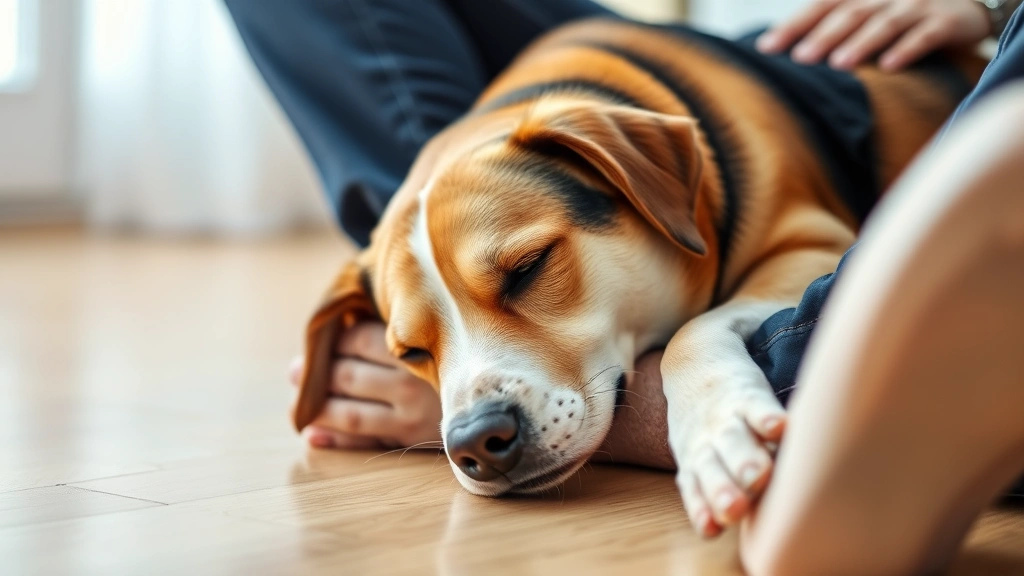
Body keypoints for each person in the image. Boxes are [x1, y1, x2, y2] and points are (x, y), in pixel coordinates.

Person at [226, 0, 1023, 539]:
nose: (467, 431)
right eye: (417, 351)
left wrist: (694, 366)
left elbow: (811, 249)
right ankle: (433, 243)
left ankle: (449, 250)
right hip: (674, 73)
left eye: (526, 273)